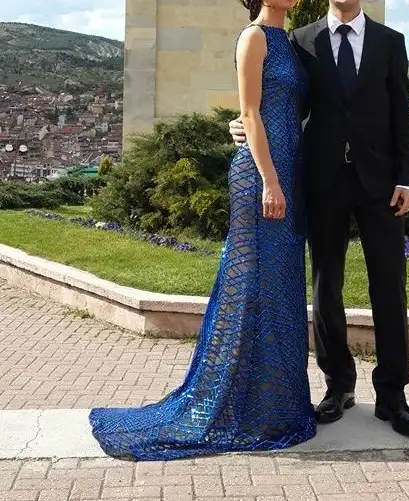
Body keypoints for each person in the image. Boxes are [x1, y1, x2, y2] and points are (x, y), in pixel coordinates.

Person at [88, 0, 317, 461]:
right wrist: (270, 181)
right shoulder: (253, 37)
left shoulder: (290, 44)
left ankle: (272, 404)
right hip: (262, 178)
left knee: (279, 288)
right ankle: (232, 403)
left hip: (289, 176)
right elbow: (250, 113)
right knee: (248, 285)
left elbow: (290, 110)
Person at [230, 0, 409, 438]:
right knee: (325, 285)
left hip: (381, 185)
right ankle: (338, 386)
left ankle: (393, 396)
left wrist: (408, 179)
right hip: (322, 182)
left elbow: (402, 116)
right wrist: (239, 121)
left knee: (389, 286)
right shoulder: (300, 41)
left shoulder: (390, 42)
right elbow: (279, 100)